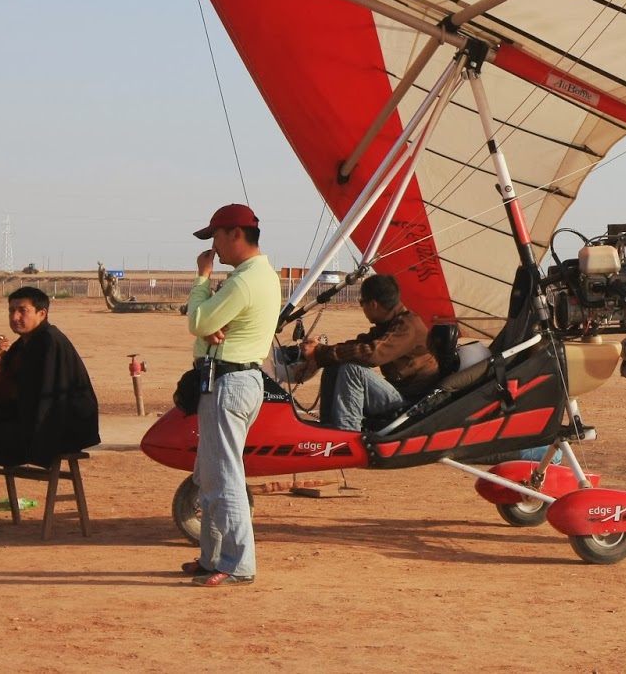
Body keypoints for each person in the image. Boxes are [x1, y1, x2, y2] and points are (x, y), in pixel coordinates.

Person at [183, 203, 280, 587]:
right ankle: (212, 558)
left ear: (236, 234)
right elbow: (207, 325)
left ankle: (238, 564)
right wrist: (209, 326)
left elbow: (198, 320)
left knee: (224, 478)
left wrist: (202, 279)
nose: (214, 248)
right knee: (211, 476)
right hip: (233, 380)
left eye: (216, 237)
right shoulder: (258, 276)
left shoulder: (243, 281)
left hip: (229, 383)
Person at [293, 272, 438, 431]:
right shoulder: (389, 324)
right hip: (398, 393)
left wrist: (320, 351)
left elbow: (372, 354)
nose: (362, 307)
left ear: (373, 304)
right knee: (334, 366)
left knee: (352, 370)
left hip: (411, 403)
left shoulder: (408, 325)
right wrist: (319, 357)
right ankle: (328, 429)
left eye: (361, 302)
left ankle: (347, 433)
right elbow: (358, 344)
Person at [0, 287, 100, 467]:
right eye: (11, 310)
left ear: (41, 314)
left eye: (22, 311)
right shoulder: (23, 344)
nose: (15, 317)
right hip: (30, 421)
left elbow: (30, 395)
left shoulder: (48, 342)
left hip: (57, 428)